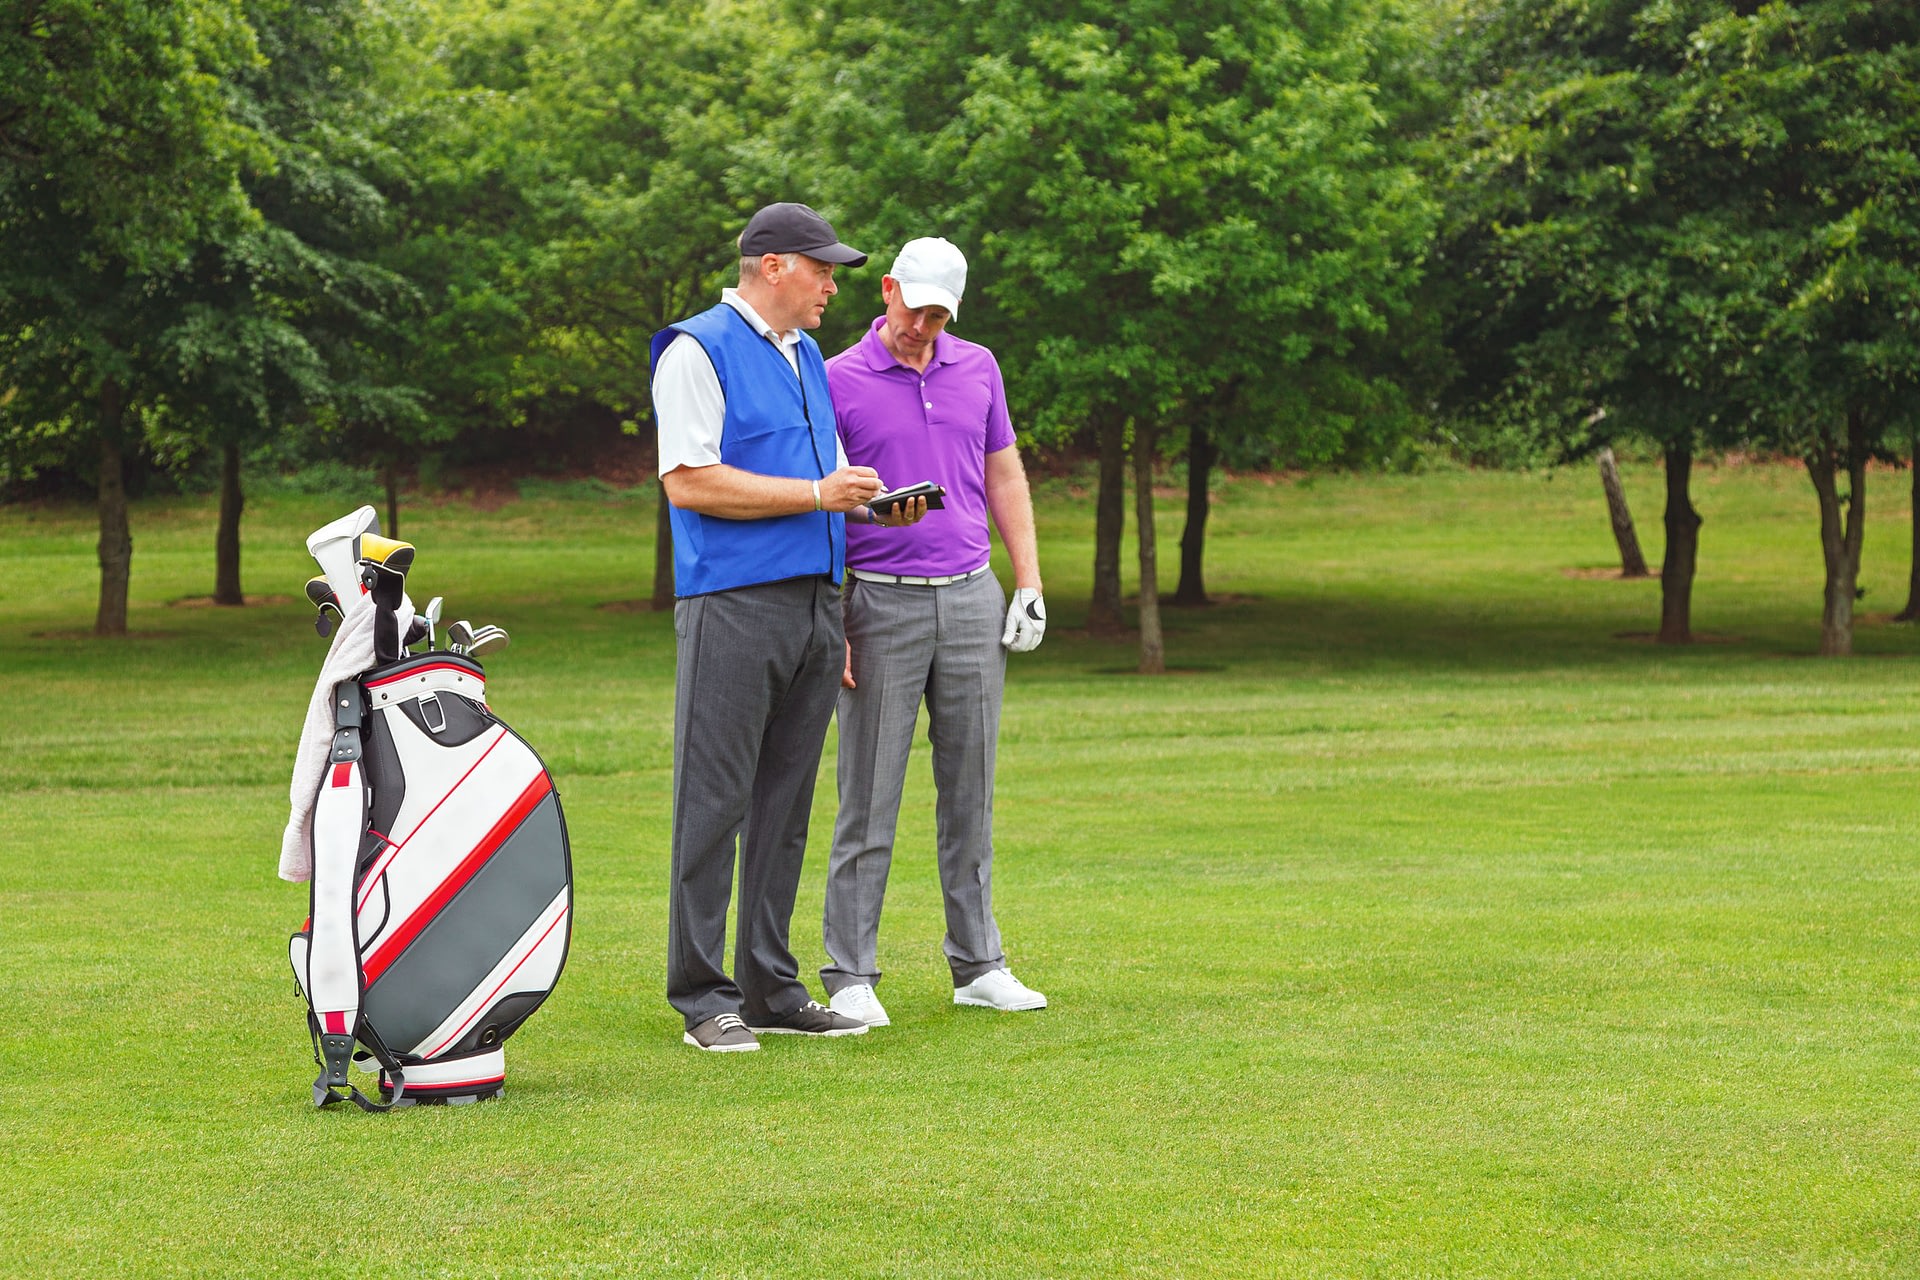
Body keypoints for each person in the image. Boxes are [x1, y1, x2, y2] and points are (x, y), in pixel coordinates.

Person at [649, 202, 924, 1052]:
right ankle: (703, 1000)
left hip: (813, 602)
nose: (833, 285)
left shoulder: (804, 355)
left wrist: (860, 513)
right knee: (715, 802)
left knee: (786, 806)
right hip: (731, 607)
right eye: (822, 269)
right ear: (773, 266)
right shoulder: (697, 349)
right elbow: (689, 482)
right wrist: (815, 495)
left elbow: (819, 478)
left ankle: (771, 986)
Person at [819, 236, 1049, 1028]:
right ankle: (850, 972)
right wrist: (832, 615)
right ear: (886, 291)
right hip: (877, 604)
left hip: (971, 599)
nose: (923, 326)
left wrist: (1030, 583)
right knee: (869, 794)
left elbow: (1004, 473)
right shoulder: (834, 380)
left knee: (971, 793)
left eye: (939, 314)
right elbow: (818, 504)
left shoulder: (978, 367)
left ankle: (978, 963)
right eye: (914, 308)